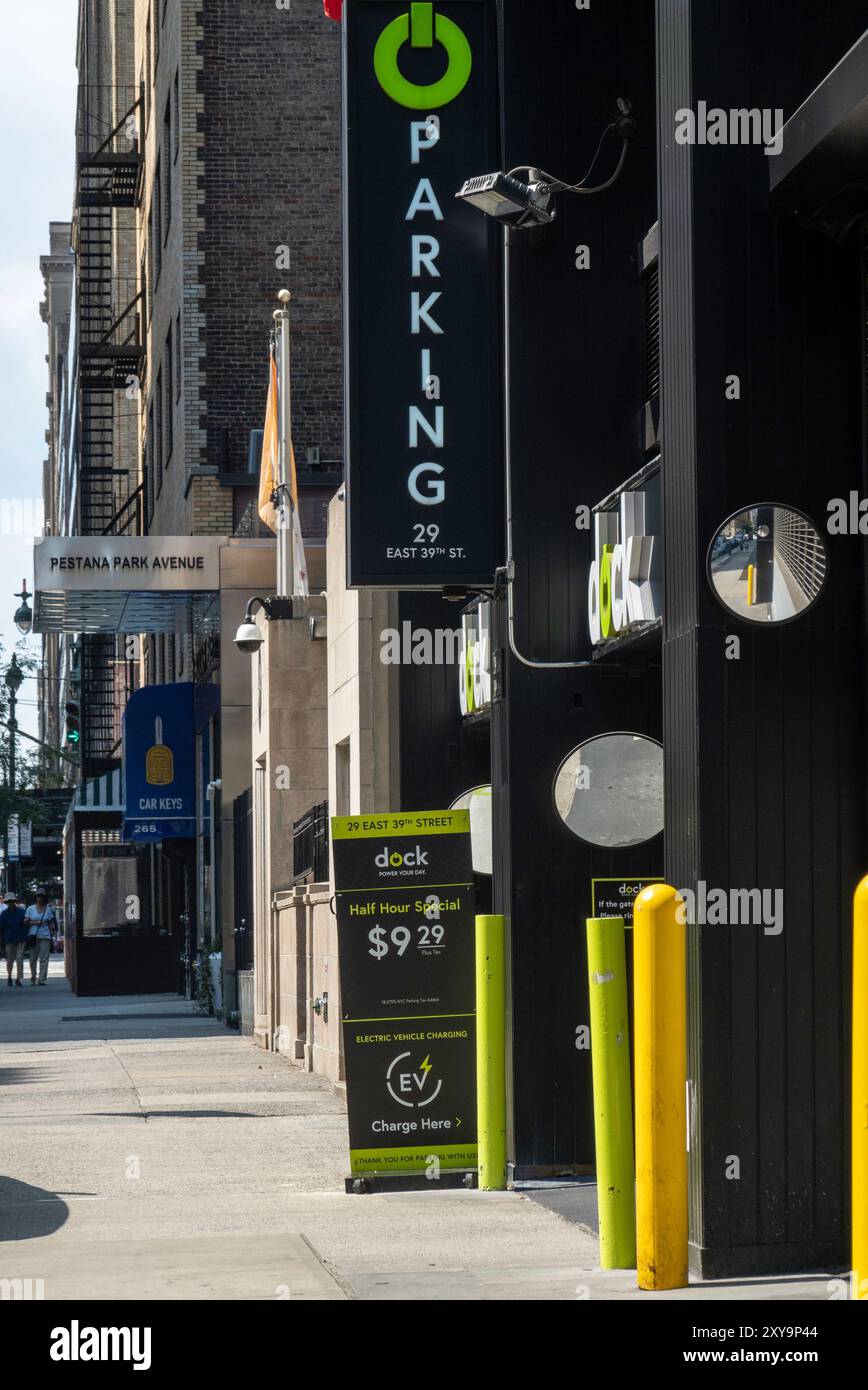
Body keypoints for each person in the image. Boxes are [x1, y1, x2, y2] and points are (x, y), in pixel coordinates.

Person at [25, 889, 57, 986]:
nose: (40, 898)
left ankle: (42, 979)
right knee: (33, 958)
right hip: (33, 935)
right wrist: (34, 922)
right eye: (38, 896)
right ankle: (33, 977)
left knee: (44, 958)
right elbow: (25, 921)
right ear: (36, 897)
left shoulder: (48, 909)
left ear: (45, 897)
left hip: (45, 936)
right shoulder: (30, 909)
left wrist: (52, 934)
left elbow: (51, 922)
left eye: (42, 896)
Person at [3, 892, 28, 987]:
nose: (10, 903)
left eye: (12, 901)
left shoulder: (22, 912)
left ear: (14, 901)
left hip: (21, 938)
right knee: (9, 959)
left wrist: (26, 924)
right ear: (7, 903)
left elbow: (26, 925)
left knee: (19, 958)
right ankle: (9, 976)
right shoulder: (4, 914)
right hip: (9, 939)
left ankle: (18, 978)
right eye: (9, 902)